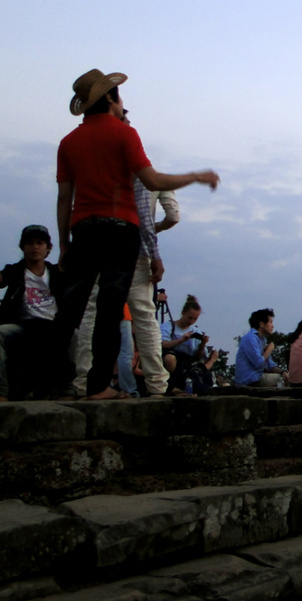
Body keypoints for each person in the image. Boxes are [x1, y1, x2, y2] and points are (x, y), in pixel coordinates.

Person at [55, 69, 219, 400]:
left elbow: (64, 198)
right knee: (110, 309)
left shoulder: (69, 142)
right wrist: (196, 176)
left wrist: (63, 244)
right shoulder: (124, 135)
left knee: (76, 310)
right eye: (119, 96)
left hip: (83, 228)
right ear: (111, 100)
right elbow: (153, 181)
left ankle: (59, 380)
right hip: (120, 230)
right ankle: (99, 386)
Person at [0, 225, 62, 401]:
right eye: (30, 243)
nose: (35, 247)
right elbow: (2, 277)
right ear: (23, 247)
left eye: (40, 243)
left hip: (53, 326)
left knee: (76, 335)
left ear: (48, 248)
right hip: (24, 325)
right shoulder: (16, 271)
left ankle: (68, 390)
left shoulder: (57, 273)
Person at [160, 294, 218, 394]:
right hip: (172, 360)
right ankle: (169, 387)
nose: (191, 321)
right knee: (171, 359)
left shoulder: (196, 331)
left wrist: (202, 344)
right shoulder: (168, 326)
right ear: (183, 313)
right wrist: (181, 340)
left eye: (195, 319)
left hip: (188, 363)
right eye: (189, 318)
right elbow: (162, 344)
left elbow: (198, 356)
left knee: (198, 371)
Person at [235, 308, 287, 387]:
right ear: (261, 324)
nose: (273, 326)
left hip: (258, 377)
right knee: (286, 380)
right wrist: (269, 350)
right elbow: (258, 364)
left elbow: (270, 365)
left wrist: (283, 372)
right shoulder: (250, 338)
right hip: (250, 379)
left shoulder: (262, 340)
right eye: (270, 322)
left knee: (289, 377)